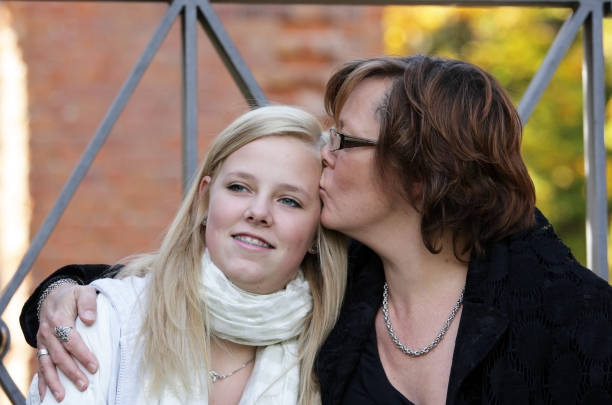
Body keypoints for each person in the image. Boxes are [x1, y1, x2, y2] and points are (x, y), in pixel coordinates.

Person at [22, 55, 612, 404]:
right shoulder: (340, 279)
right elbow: (203, 272)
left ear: (419, 174)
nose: (323, 154)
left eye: (345, 141)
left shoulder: (570, 316)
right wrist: (58, 296)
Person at [23, 105, 348, 405]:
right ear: (205, 200)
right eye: (239, 187)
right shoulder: (110, 319)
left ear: (317, 233)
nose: (258, 212)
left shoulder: (339, 352)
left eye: (289, 200)